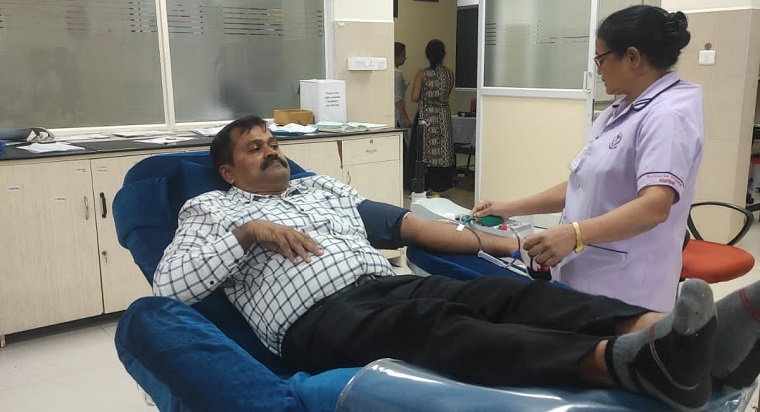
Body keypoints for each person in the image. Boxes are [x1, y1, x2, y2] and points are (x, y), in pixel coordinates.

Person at [154, 115, 760, 412]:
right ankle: (620, 364)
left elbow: (406, 226)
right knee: (438, 328)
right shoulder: (211, 209)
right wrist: (248, 233)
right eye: (255, 148)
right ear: (228, 170)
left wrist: (493, 242)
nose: (273, 152)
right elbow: (170, 287)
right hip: (317, 321)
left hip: (384, 284)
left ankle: (673, 334)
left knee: (507, 296)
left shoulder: (321, 189)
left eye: (274, 142)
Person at [472, 6, 702, 312]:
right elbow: (582, 183)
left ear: (632, 58)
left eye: (601, 59)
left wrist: (575, 234)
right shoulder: (618, 112)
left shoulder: (668, 115)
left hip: (628, 285)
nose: (598, 69)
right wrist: (509, 207)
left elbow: (655, 206)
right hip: (589, 273)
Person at [405, 39, 455, 195]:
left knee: (422, 152)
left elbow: (414, 97)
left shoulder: (422, 74)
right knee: (442, 152)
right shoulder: (449, 74)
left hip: (426, 117)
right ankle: (440, 185)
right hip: (443, 117)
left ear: (427, 55)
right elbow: (447, 93)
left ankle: (421, 185)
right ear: (444, 54)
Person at [394, 42, 412, 129]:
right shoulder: (397, 73)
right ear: (396, 56)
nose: (405, 58)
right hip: (397, 117)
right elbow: (397, 98)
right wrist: (406, 118)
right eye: (403, 55)